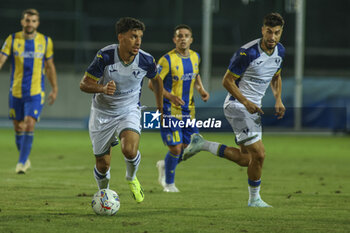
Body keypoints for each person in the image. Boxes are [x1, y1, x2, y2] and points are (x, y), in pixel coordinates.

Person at [183, 13, 286, 207]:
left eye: (277, 33)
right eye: (269, 32)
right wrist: (246, 102)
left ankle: (202, 144)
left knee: (246, 159)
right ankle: (254, 199)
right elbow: (227, 81)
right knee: (260, 155)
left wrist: (278, 99)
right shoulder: (247, 53)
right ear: (263, 30)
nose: (272, 37)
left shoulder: (280, 51)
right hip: (237, 106)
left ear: (281, 33)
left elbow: (276, 76)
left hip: (254, 108)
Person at [80, 17, 163, 203]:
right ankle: (104, 194)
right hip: (102, 112)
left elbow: (156, 80)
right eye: (134, 36)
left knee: (129, 150)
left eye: (140, 37)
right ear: (121, 37)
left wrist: (160, 107)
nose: (138, 41)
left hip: (129, 110)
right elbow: (84, 84)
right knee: (103, 165)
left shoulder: (146, 60)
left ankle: (131, 178)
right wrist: (102, 88)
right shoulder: (105, 56)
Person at [149, 24, 209, 192]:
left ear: (191, 39)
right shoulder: (166, 60)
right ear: (175, 39)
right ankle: (169, 184)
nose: (183, 38)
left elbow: (196, 75)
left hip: (188, 111)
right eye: (179, 36)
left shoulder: (196, 56)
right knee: (175, 148)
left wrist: (201, 89)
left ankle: (164, 164)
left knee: (193, 146)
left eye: (186, 35)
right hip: (169, 111)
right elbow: (152, 84)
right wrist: (170, 97)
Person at [0, 8, 58, 174]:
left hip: (35, 91)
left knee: (29, 123)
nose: (29, 24)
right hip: (16, 91)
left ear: (37, 23)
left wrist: (54, 88)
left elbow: (49, 66)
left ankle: (21, 162)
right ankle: (25, 158)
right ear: (22, 22)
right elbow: (2, 58)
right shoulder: (12, 39)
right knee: (18, 127)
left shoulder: (45, 41)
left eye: (33, 21)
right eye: (27, 20)